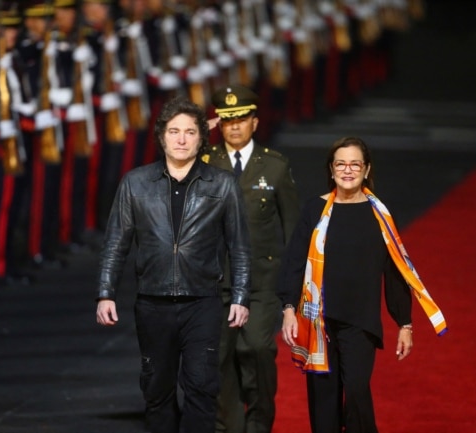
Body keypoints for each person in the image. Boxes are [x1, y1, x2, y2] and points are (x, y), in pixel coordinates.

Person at [96, 96, 251, 433]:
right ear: (161, 136)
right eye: (174, 131)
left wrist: (240, 296)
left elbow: (239, 246)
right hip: (153, 302)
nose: (181, 139)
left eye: (190, 132)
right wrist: (105, 293)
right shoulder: (135, 183)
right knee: (157, 390)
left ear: (201, 138)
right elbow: (115, 243)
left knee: (202, 388)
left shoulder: (222, 185)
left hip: (203, 301)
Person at [277, 136, 447, 433]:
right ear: (331, 170)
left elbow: (395, 271)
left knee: (356, 391)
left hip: (360, 322)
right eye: (340, 164)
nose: (347, 170)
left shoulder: (379, 215)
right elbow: (295, 262)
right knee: (323, 401)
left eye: (355, 164)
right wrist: (289, 308)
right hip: (318, 320)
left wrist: (404, 323)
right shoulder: (314, 210)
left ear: (366, 169)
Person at [204, 84, 300, 433]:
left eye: (241, 119)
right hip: (215, 280)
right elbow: (168, 154)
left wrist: (294, 290)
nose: (234, 127)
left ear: (255, 123)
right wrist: (202, 132)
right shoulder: (203, 162)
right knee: (218, 358)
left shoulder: (274, 167)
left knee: (257, 349)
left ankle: (259, 423)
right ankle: (227, 426)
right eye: (227, 120)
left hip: (262, 281)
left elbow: (293, 230)